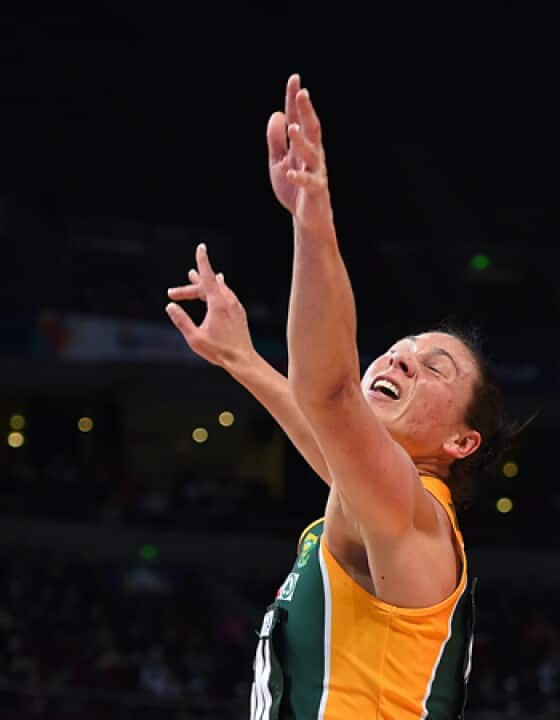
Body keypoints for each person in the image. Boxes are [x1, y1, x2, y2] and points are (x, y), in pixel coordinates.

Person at [164, 74, 516, 719]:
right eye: (402, 346)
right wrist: (242, 358)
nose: (401, 357)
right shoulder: (375, 509)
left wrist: (313, 221)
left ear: (461, 442)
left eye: (434, 367)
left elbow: (328, 397)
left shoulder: (414, 520)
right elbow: (331, 437)